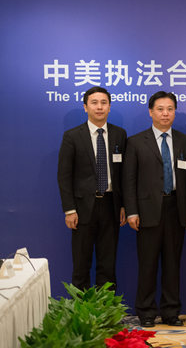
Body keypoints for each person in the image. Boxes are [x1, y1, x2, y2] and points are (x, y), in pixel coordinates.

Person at [123, 91, 186, 328]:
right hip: (147, 210)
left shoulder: (185, 141)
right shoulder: (135, 142)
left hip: (176, 209)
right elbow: (128, 180)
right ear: (151, 112)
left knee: (173, 264)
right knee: (148, 263)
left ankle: (171, 311)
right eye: (160, 109)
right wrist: (131, 211)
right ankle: (146, 311)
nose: (165, 113)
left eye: (170, 109)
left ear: (175, 112)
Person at [57, 86, 127, 291]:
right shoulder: (72, 136)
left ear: (109, 107)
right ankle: (82, 315)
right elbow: (64, 176)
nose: (99, 107)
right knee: (81, 265)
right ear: (85, 107)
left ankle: (107, 314)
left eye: (103, 103)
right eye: (94, 103)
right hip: (82, 208)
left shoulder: (119, 134)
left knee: (108, 265)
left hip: (111, 206)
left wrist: (124, 205)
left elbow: (124, 174)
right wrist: (69, 209)